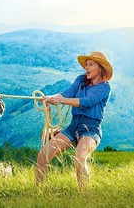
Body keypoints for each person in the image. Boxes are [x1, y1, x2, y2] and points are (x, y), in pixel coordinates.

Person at [35, 51, 113, 191]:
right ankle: (38, 192)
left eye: (91, 64)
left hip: (91, 129)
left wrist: (61, 100)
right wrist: (50, 98)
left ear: (100, 68)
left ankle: (83, 196)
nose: (86, 68)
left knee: (80, 157)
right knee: (42, 155)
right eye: (86, 65)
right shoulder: (80, 80)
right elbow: (66, 94)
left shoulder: (104, 87)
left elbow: (87, 101)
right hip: (73, 126)